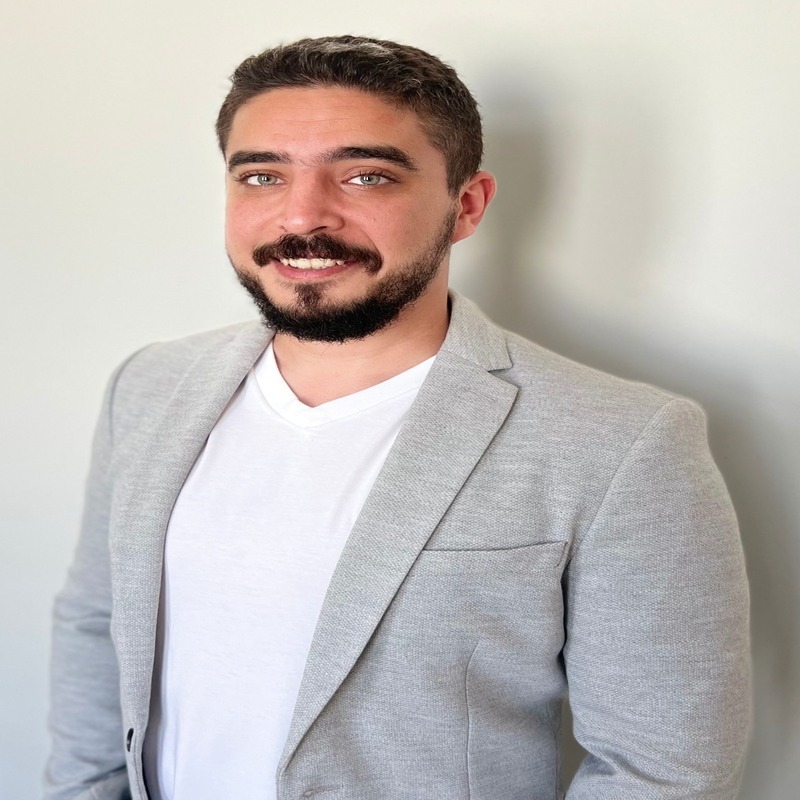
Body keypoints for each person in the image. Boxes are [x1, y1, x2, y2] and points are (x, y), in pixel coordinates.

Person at [45, 35, 751, 800]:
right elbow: (97, 627)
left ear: (467, 205)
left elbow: (666, 769)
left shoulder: (622, 442)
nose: (302, 216)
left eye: (366, 175)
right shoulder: (149, 386)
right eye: (262, 176)